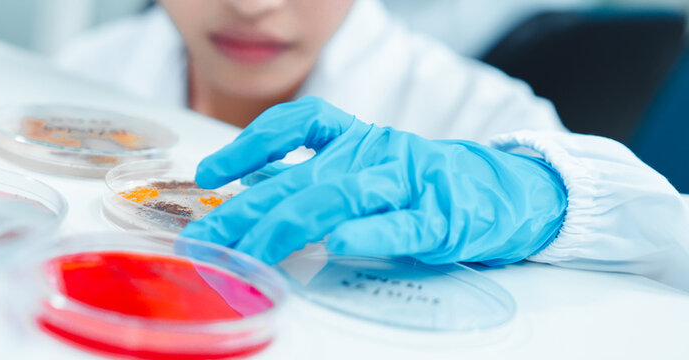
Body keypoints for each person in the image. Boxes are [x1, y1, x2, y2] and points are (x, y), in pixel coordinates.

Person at [52, 0, 689, 291]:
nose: (253, 7)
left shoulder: (475, 108)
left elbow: (671, 251)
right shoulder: (80, 73)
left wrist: (540, 197)